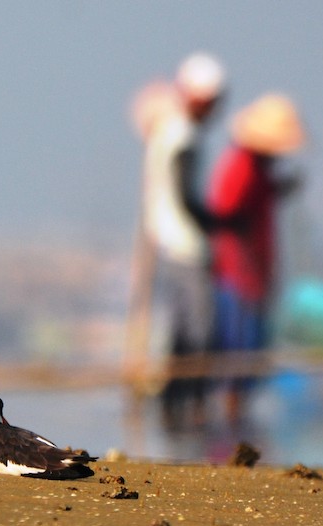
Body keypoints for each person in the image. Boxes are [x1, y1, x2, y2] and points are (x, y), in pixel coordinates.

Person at [137, 52, 227, 428]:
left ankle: (175, 411)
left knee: (180, 330)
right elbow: (184, 196)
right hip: (185, 244)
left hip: (169, 240)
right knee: (198, 331)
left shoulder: (169, 131)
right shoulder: (182, 136)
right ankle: (187, 408)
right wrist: (218, 224)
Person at [207, 94, 306, 424]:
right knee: (240, 350)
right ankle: (232, 419)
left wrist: (275, 190)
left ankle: (237, 416)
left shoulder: (259, 171)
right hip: (238, 275)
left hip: (254, 275)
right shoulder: (242, 167)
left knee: (252, 349)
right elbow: (225, 213)